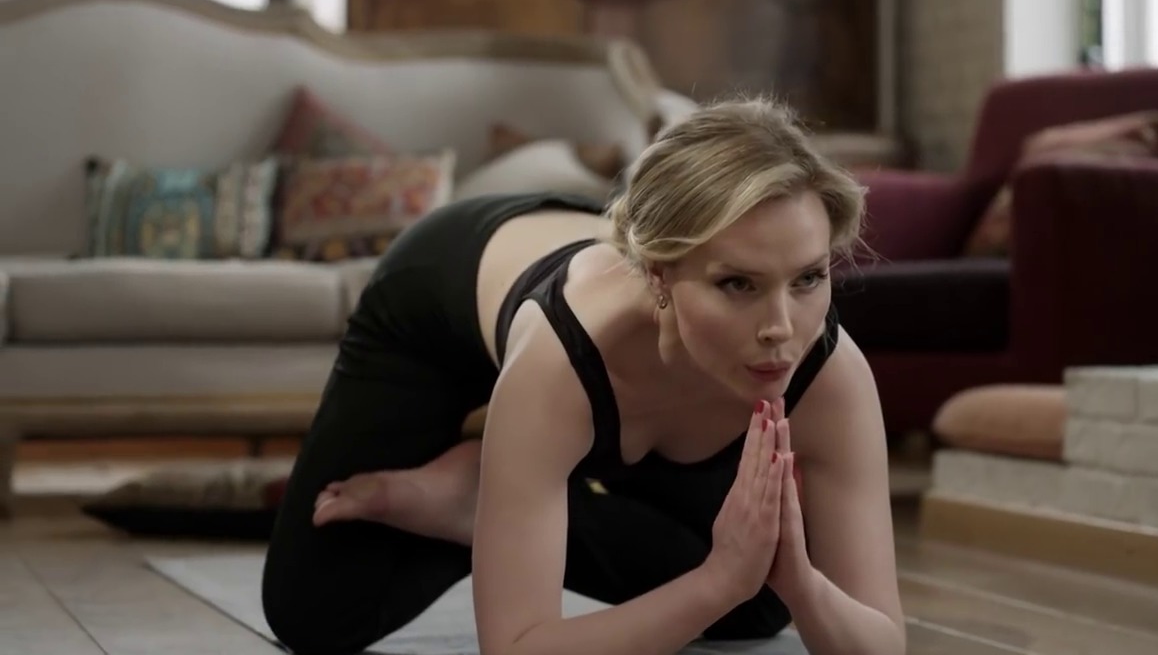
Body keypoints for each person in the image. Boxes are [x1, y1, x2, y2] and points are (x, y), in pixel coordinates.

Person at [260, 97, 906, 655]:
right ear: (658, 275)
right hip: (439, 301)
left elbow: (883, 640)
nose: (781, 328)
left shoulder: (830, 375)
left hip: (614, 279)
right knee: (315, 614)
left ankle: (479, 501)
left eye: (808, 278)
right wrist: (715, 582)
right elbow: (517, 647)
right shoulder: (561, 357)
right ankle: (493, 487)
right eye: (738, 284)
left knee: (756, 603)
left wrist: (800, 582)